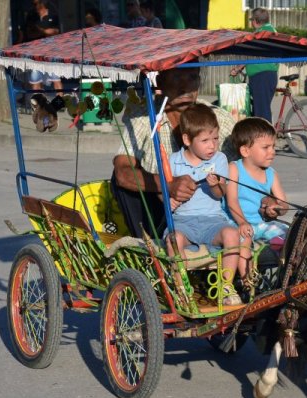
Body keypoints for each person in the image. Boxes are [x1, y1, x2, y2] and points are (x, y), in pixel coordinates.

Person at [112, 67, 236, 239]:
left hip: (214, 210)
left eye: (192, 77)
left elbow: (246, 161)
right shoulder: (144, 118)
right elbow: (122, 173)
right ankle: (148, 241)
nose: (186, 87)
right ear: (160, 82)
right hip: (163, 209)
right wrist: (168, 185)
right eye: (177, 78)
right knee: (120, 180)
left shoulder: (218, 117)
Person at [167, 103, 242, 305]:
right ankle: (181, 286)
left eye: (216, 139)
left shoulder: (219, 159)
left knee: (232, 234)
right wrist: (170, 201)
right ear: (187, 140)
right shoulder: (173, 161)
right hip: (183, 221)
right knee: (173, 240)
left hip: (212, 221)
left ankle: (226, 286)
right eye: (205, 140)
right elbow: (165, 194)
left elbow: (220, 195)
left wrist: (217, 185)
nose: (212, 145)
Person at [225, 117, 288, 281]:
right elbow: (232, 200)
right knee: (244, 239)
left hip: (261, 224)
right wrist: (242, 222)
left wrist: (276, 207)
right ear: (245, 151)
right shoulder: (234, 168)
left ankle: (283, 275)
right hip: (236, 222)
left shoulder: (271, 173)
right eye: (266, 147)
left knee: (288, 235)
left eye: (273, 146)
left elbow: (284, 204)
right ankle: (247, 279)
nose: (272, 151)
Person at [230, 8, 278, 122]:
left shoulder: (259, 34)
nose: (251, 23)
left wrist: (237, 69)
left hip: (261, 77)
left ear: (255, 21)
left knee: (261, 113)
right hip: (269, 75)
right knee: (261, 108)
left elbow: (249, 55)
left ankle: (265, 137)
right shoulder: (271, 30)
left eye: (252, 20)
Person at [24, 1, 64, 96]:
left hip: (51, 53)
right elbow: (29, 34)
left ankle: (59, 104)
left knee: (56, 79)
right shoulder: (31, 16)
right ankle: (38, 105)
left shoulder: (53, 15)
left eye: (35, 4)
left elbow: (56, 32)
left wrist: (40, 30)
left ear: (42, 3)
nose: (34, 6)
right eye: (32, 4)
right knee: (35, 81)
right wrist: (45, 32)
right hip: (35, 54)